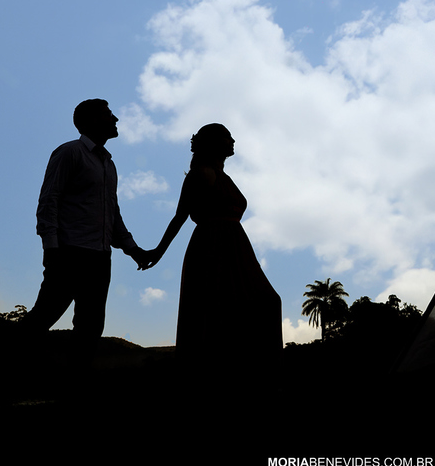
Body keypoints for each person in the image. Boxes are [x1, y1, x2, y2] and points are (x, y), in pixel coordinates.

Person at [22, 99, 152, 365]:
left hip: (100, 256)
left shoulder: (108, 164)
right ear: (92, 120)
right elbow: (49, 200)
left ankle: (75, 384)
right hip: (69, 251)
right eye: (109, 115)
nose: (115, 119)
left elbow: (111, 212)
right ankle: (2, 370)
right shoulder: (69, 153)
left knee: (90, 325)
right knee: (45, 314)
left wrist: (132, 249)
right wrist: (51, 247)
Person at [144, 123, 281, 369]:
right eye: (227, 137)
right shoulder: (202, 174)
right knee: (221, 310)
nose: (233, 141)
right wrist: (158, 252)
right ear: (214, 143)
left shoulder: (222, 175)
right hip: (213, 247)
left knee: (264, 302)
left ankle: (258, 374)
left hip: (236, 245)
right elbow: (180, 216)